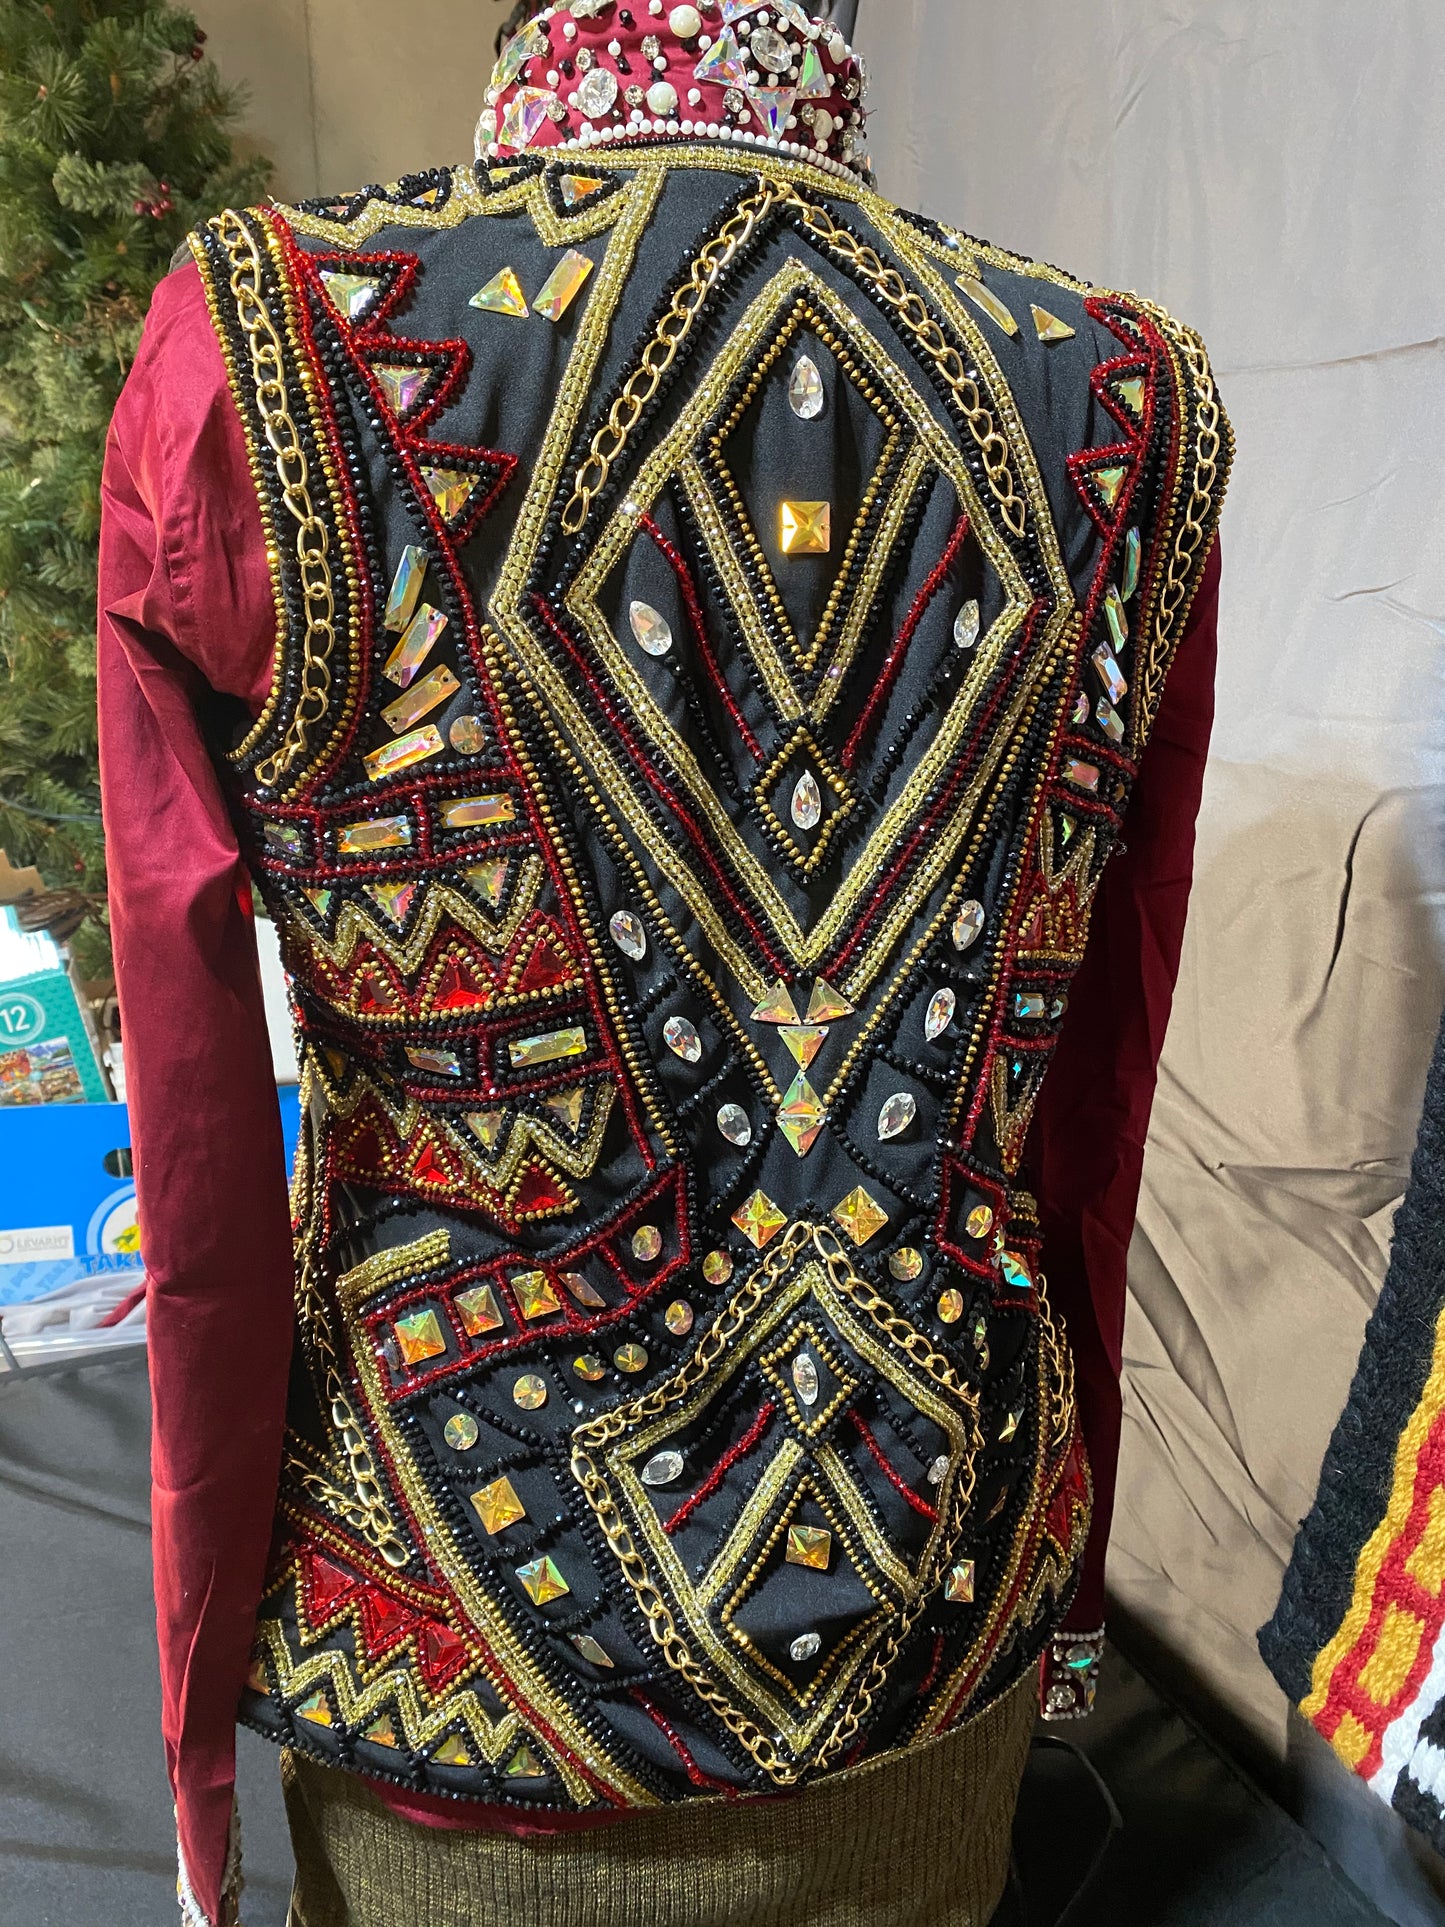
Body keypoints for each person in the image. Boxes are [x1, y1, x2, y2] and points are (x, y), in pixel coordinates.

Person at [98, 5, 1230, 1922]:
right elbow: (1092, 1111)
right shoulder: (1125, 399)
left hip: (449, 1648)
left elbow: (198, 1167)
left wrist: (197, 1713)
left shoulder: (263, 338)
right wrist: (1062, 1563)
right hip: (929, 1615)